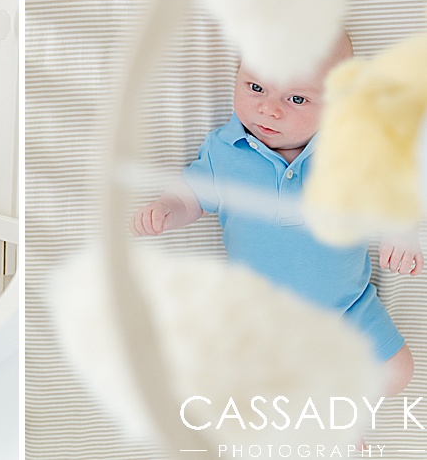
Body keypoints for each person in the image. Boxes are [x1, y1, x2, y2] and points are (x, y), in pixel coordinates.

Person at [130, 31, 423, 396]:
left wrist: (402, 233)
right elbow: (193, 195)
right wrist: (167, 209)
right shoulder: (226, 150)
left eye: (296, 98)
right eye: (255, 88)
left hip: (348, 307)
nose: (270, 108)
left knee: (396, 373)